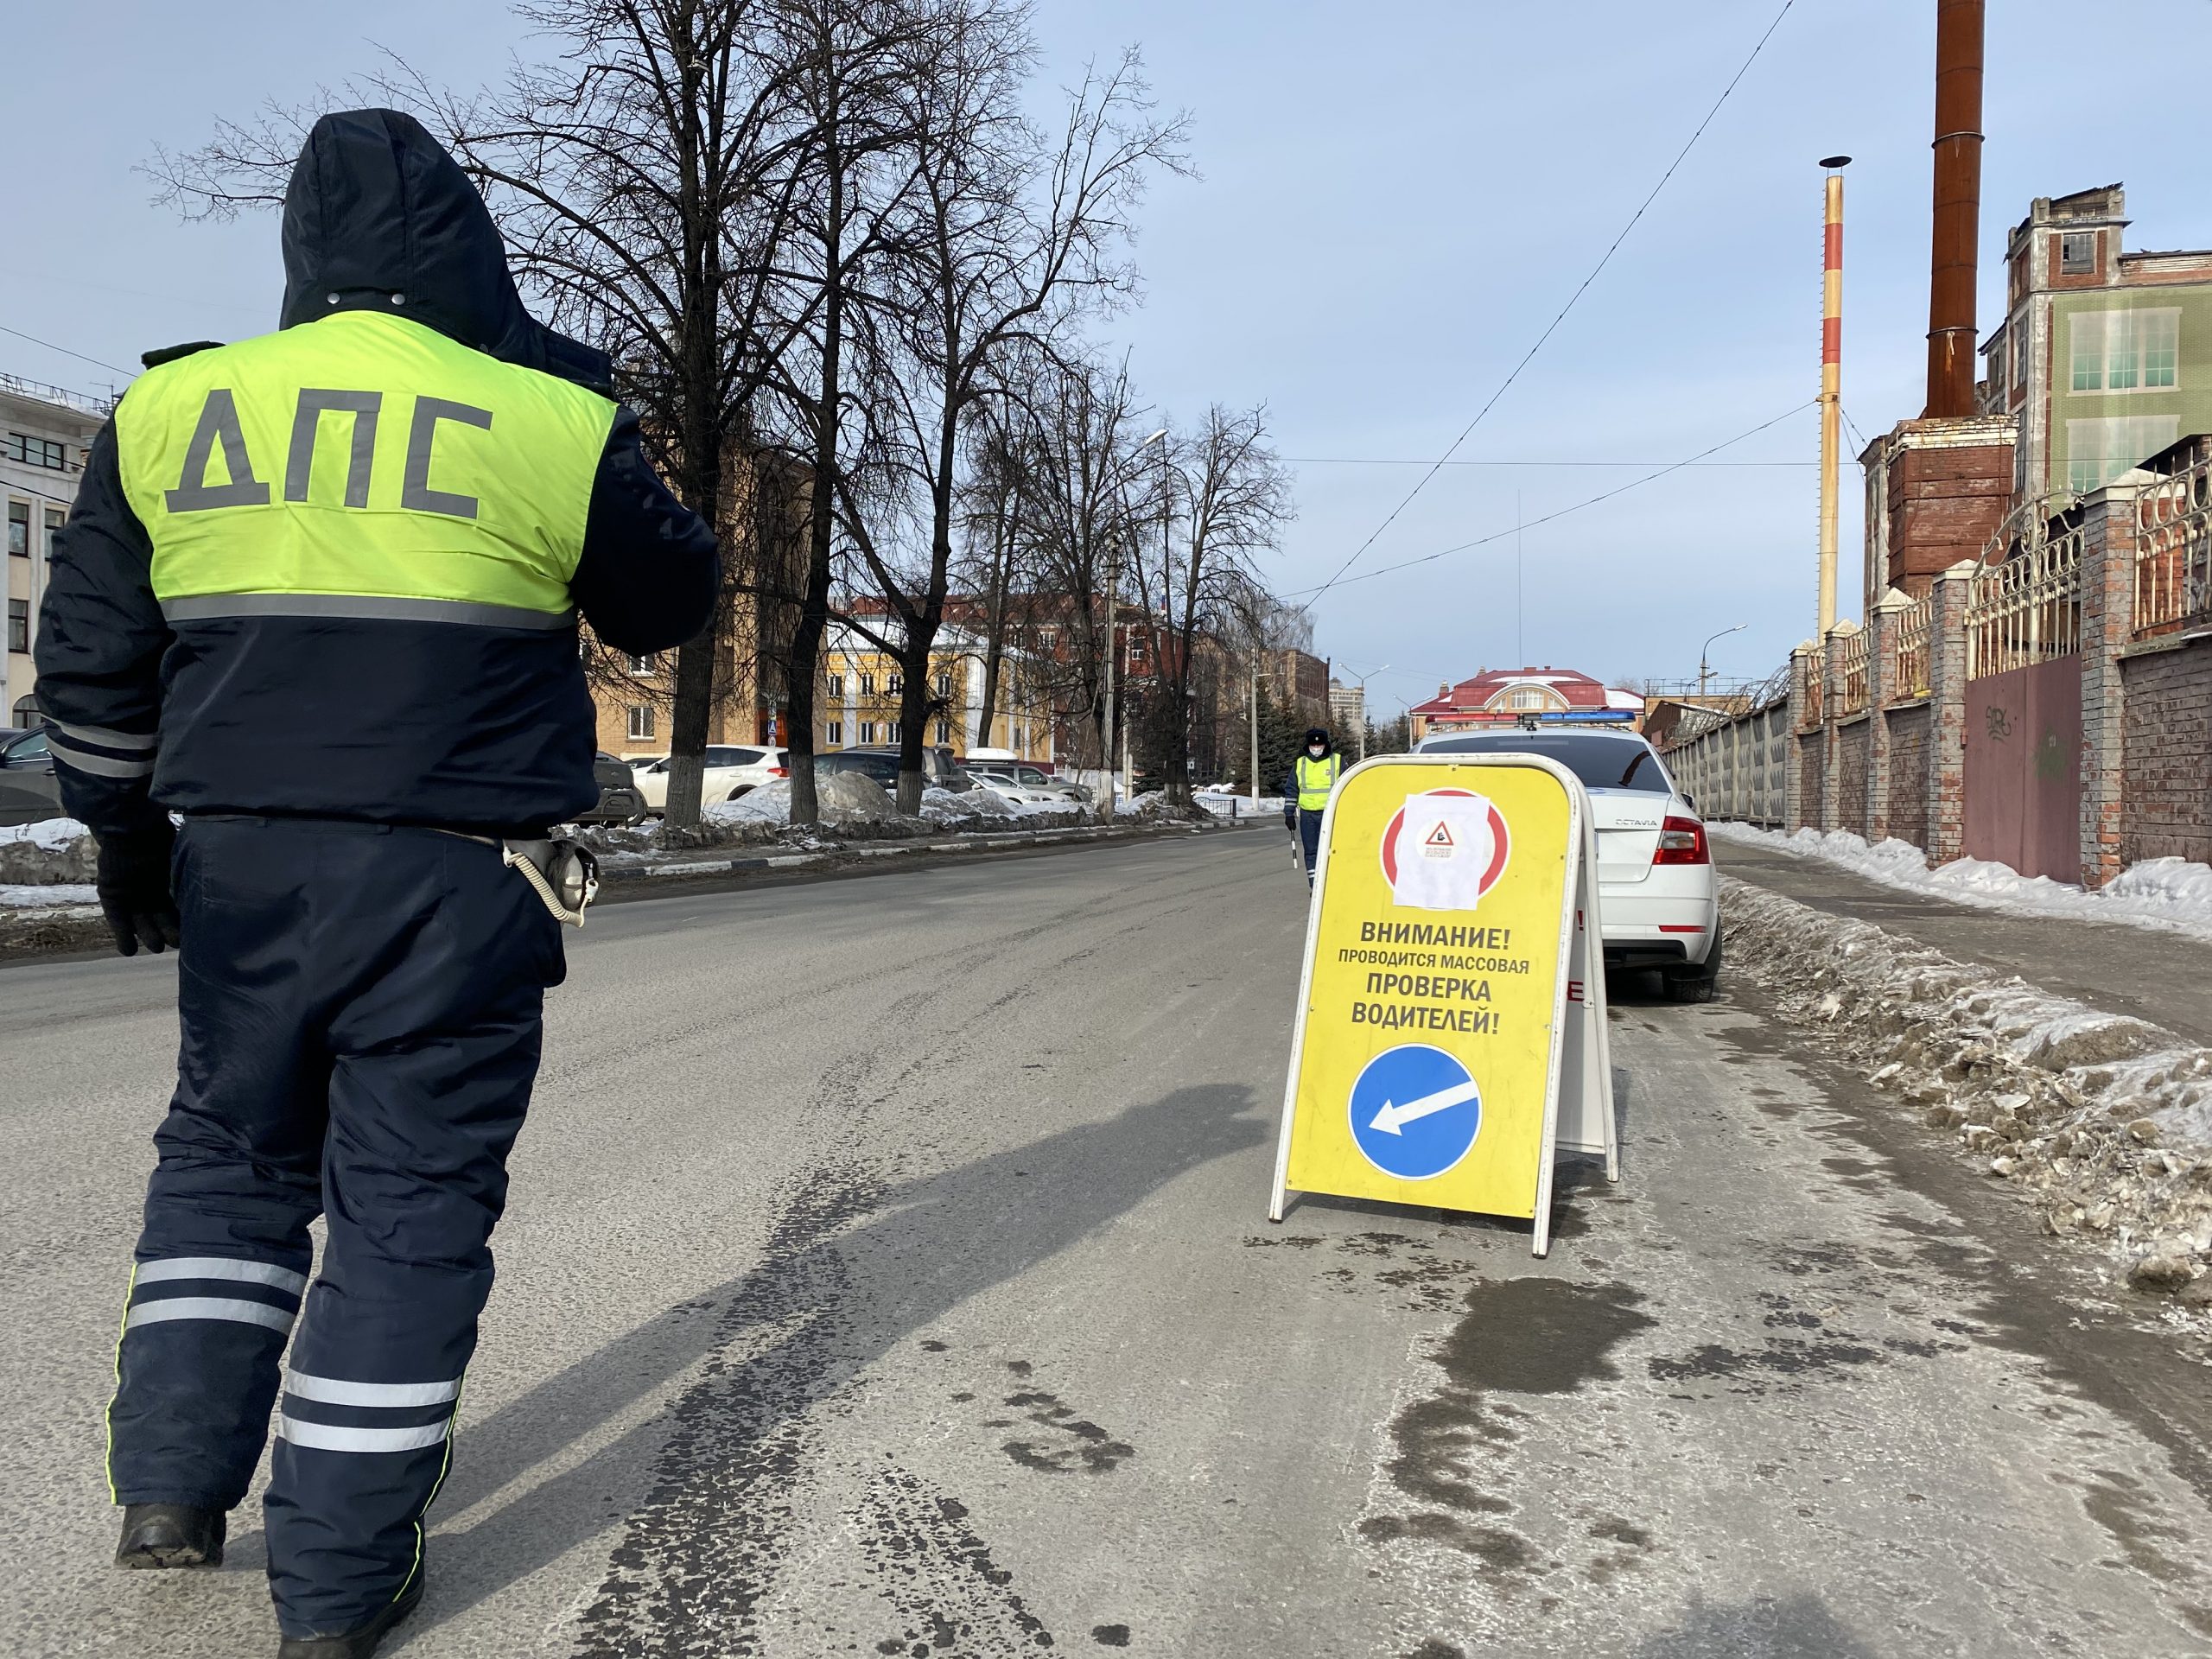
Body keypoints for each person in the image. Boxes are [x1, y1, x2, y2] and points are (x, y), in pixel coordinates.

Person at [34, 110, 719, 1657]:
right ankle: (337, 1591)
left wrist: (126, 841)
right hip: (460, 882)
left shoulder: (172, 414)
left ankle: (170, 1497)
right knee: (407, 1210)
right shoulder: (540, 414)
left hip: (241, 872)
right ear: (470, 253)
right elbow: (672, 598)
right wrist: (596, 409)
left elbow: (92, 670)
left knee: (224, 1167)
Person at [1286, 727, 1344, 888]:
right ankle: (1315, 886)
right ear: (1308, 745)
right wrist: (1288, 814)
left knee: (1332, 850)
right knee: (1311, 852)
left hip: (1331, 814)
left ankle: (1331, 885)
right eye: (1313, 745)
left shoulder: (1337, 761)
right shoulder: (1301, 763)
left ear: (1326, 744)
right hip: (1307, 814)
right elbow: (1292, 789)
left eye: (1320, 745)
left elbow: (1348, 786)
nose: (1316, 748)